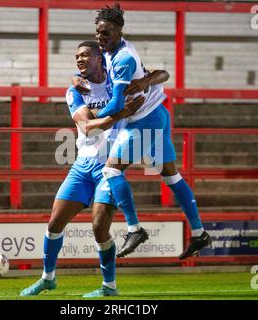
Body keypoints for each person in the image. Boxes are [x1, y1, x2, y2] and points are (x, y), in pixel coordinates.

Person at [19, 40, 169, 298]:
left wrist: (148, 80)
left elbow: (162, 74)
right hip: (82, 167)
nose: (79, 60)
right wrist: (119, 115)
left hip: (109, 167)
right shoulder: (75, 90)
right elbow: (88, 127)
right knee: (55, 223)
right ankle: (47, 278)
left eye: (85, 55)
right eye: (76, 56)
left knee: (100, 227)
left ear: (101, 58)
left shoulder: (118, 79)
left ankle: (109, 287)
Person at [90, 4, 212, 260]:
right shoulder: (115, 51)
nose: (101, 38)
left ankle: (135, 229)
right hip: (158, 113)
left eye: (107, 33)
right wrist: (146, 80)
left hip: (146, 120)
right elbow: (161, 73)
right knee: (171, 177)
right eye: (98, 33)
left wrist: (91, 119)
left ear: (119, 31)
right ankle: (200, 233)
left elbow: (114, 106)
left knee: (111, 169)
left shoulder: (122, 58)